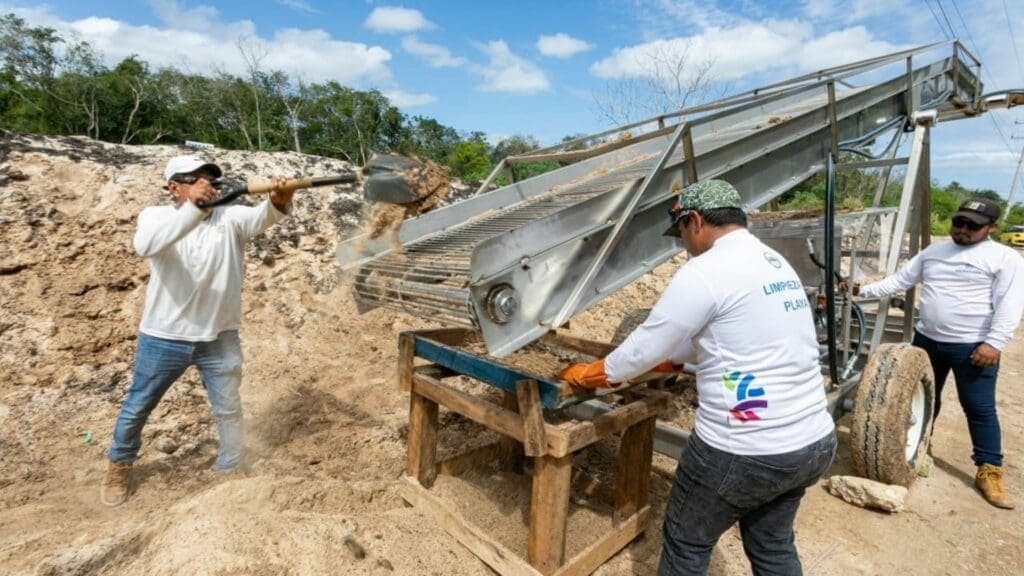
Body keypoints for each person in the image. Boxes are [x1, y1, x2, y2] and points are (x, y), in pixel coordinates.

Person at [559, 180, 836, 575]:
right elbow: (739, 335)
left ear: (695, 221)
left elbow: (641, 348)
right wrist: (671, 361)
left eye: (682, 234)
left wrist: (590, 375)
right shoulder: (772, 262)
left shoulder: (705, 270)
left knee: (686, 542)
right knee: (772, 545)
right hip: (810, 442)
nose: (683, 245)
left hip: (744, 448)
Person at [100, 155, 293, 507]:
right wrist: (196, 208)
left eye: (211, 179)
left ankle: (231, 466)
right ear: (174, 186)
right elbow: (146, 246)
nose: (207, 183)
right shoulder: (156, 217)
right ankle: (120, 464)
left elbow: (260, 218)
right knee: (138, 405)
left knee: (229, 406)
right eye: (196, 178)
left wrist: (277, 202)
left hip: (218, 336)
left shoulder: (230, 216)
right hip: (164, 336)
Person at [850, 198, 1024, 509]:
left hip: (973, 346)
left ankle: (989, 470)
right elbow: (900, 281)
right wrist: (860, 291)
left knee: (979, 407)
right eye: (959, 222)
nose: (963, 230)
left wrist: (994, 343)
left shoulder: (1003, 258)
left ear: (991, 228)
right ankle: (920, 445)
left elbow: (1011, 304)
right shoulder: (934, 252)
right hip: (927, 340)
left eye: (973, 226)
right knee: (926, 398)